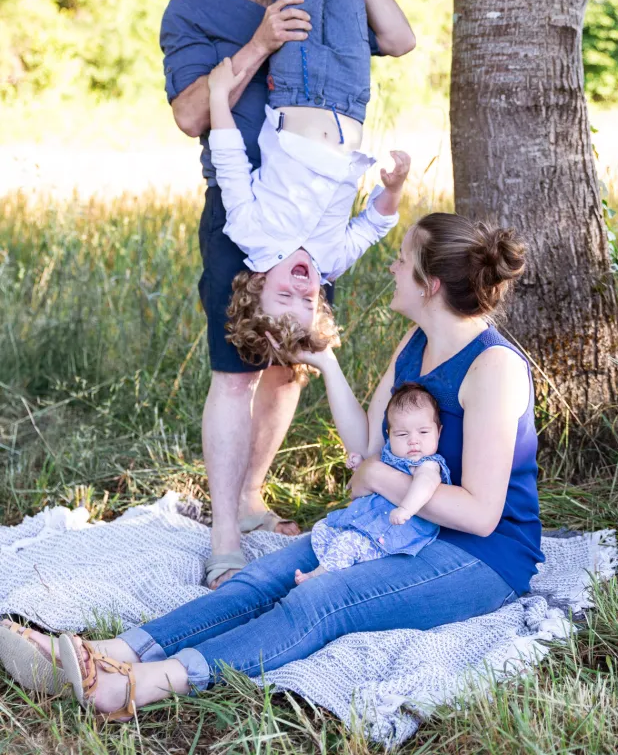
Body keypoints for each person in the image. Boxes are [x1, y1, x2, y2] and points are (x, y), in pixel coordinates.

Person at [0, 211, 544, 720]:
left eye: (403, 259)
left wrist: (379, 477)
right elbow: (367, 442)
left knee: (322, 597)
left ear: (430, 285)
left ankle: (143, 684)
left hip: (478, 557)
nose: (392, 267)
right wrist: (326, 364)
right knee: (261, 578)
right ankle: (111, 651)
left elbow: (480, 515)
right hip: (387, 524)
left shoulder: (493, 368)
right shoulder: (416, 341)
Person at [163, 0, 416, 587]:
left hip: (315, 222)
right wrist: (261, 43)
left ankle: (249, 498)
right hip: (245, 217)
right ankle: (223, 534)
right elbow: (190, 114)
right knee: (234, 375)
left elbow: (397, 39)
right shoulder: (191, 13)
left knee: (289, 368)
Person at [206, 0, 411, 378]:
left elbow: (231, 163)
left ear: (257, 286)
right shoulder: (332, 261)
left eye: (285, 295)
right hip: (351, 99)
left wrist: (219, 96)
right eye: (307, 301)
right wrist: (395, 188)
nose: (301, 289)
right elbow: (372, 226)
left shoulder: (251, 235)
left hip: (296, 93)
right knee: (343, 1)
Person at [295, 382, 451, 584]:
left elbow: (426, 483)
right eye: (402, 434)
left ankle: (318, 576)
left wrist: (406, 508)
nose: (413, 440)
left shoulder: (427, 463)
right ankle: (337, 566)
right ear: (389, 435)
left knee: (349, 542)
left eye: (423, 432)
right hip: (368, 522)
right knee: (326, 529)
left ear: (438, 432)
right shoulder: (391, 454)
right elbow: (378, 475)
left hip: (392, 532)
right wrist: (361, 465)